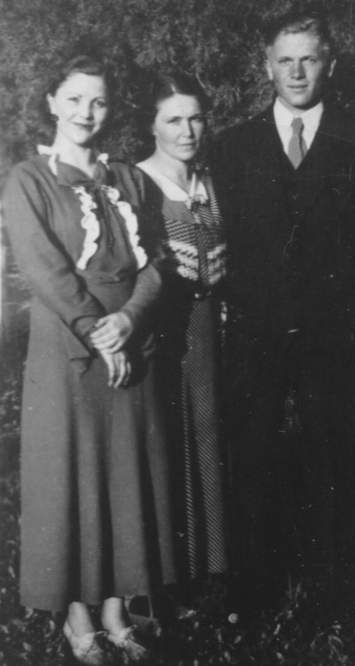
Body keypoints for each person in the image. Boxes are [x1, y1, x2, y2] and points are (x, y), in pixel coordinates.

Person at [213, 7, 355, 598]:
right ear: (267, 66)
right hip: (256, 332)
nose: (296, 72)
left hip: (334, 333)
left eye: (308, 59)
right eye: (285, 60)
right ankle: (255, 585)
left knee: (336, 449)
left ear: (329, 65)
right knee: (253, 450)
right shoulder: (231, 148)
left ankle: (337, 582)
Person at [2, 54, 175, 665]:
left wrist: (129, 321)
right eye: (74, 99)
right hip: (68, 350)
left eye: (98, 101)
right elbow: (43, 268)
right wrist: (98, 334)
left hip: (130, 340)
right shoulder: (28, 179)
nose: (86, 112)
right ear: (52, 101)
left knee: (125, 473)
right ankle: (77, 614)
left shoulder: (130, 179)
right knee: (72, 475)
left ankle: (117, 610)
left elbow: (158, 260)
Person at [136, 72, 227, 593]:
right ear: (152, 125)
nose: (187, 131)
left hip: (208, 331)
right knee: (167, 439)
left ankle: (212, 571)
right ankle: (169, 579)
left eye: (195, 118)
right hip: (162, 333)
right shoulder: (138, 183)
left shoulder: (210, 182)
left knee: (209, 436)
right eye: (173, 120)